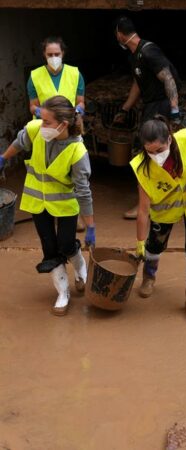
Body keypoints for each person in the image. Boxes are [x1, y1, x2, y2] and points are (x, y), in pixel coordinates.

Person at [0, 95, 96, 316]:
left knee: (65, 244)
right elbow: (20, 141)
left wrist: (90, 225)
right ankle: (63, 292)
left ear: (63, 125)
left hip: (64, 205)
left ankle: (80, 265)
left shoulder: (77, 152)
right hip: (37, 201)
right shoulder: (36, 129)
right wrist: (4, 158)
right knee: (49, 247)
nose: (41, 125)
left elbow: (83, 191)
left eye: (46, 122)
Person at [130, 115, 186, 322]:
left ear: (169, 139)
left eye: (159, 150)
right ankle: (149, 278)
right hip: (166, 209)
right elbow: (143, 210)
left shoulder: (185, 138)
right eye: (149, 152)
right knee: (154, 245)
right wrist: (140, 242)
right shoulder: (142, 166)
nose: (155, 156)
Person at [113, 16, 181, 219]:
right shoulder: (134, 56)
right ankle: (154, 200)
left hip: (161, 107)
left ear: (119, 34)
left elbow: (167, 77)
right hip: (150, 106)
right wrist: (125, 108)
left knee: (148, 154)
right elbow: (138, 84)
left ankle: (147, 203)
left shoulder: (149, 50)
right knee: (148, 154)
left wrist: (174, 109)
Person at [27, 36, 86, 231]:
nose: (54, 57)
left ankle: (73, 214)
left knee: (74, 174)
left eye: (57, 54)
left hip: (68, 129)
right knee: (47, 171)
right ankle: (49, 211)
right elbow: (32, 105)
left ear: (63, 54)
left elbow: (80, 101)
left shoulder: (75, 74)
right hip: (44, 130)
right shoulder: (35, 76)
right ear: (44, 55)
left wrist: (78, 111)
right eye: (50, 54)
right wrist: (41, 114)